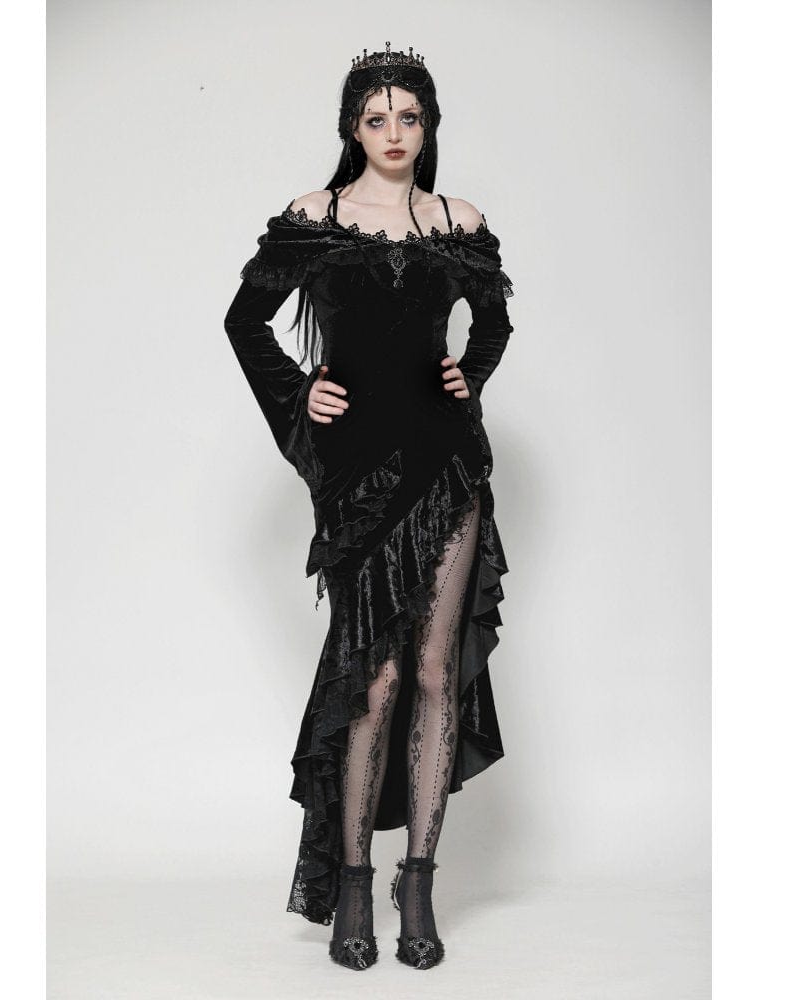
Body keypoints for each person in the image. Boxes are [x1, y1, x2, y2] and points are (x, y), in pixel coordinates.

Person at [224, 42, 515, 971]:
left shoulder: (456, 221)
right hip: (360, 479)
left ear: (429, 128)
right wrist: (298, 390)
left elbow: (495, 321)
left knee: (431, 671)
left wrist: (468, 375)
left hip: (447, 467)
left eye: (410, 117)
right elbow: (243, 320)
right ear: (353, 127)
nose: (395, 132)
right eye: (377, 117)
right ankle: (354, 881)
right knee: (375, 679)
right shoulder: (317, 216)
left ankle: (416, 882)